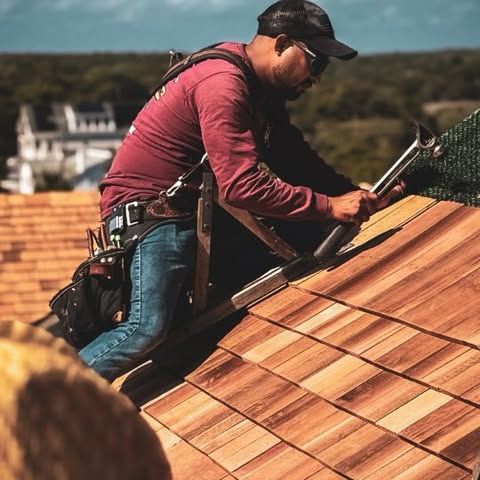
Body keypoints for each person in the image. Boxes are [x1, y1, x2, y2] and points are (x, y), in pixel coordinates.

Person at [79, 0, 403, 382]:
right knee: (144, 329)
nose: (316, 78)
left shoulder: (260, 92)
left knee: (297, 251)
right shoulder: (223, 83)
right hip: (149, 213)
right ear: (281, 43)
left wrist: (361, 197)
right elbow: (242, 187)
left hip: (189, 212)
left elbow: (296, 161)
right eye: (316, 63)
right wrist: (331, 206)